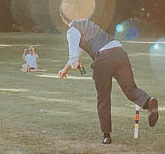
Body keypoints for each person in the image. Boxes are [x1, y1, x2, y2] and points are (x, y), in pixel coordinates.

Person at [58, 16, 159, 144]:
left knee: (103, 97)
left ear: (62, 18)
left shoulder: (72, 30)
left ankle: (107, 135)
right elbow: (77, 52)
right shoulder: (88, 24)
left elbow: (73, 55)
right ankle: (149, 102)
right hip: (119, 52)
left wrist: (74, 65)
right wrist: (66, 68)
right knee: (130, 89)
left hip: (103, 59)